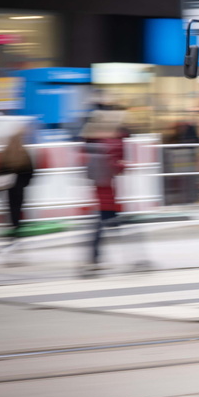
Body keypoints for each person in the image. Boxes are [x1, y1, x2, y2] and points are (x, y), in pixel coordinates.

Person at [81, 109, 128, 275]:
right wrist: (122, 165)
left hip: (102, 189)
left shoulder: (92, 143)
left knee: (106, 225)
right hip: (106, 190)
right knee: (108, 225)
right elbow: (113, 166)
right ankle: (93, 260)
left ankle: (93, 259)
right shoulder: (103, 145)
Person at [0, 127, 34, 255]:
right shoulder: (23, 152)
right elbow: (31, 171)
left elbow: (1, 170)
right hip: (20, 188)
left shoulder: (7, 152)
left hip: (9, 188)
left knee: (11, 212)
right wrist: (24, 183)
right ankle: (17, 238)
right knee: (19, 212)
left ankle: (12, 238)